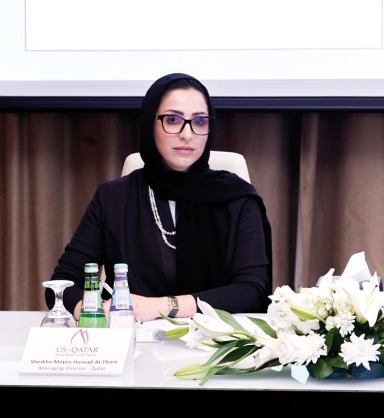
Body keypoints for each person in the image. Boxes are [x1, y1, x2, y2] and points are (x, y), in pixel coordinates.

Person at [47, 73, 272, 321]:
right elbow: (63, 283)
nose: (187, 134)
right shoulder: (113, 198)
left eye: (199, 122)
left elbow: (252, 291)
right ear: (149, 124)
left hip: (214, 347)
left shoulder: (238, 199)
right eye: (173, 120)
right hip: (133, 344)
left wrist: (162, 307)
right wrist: (94, 313)